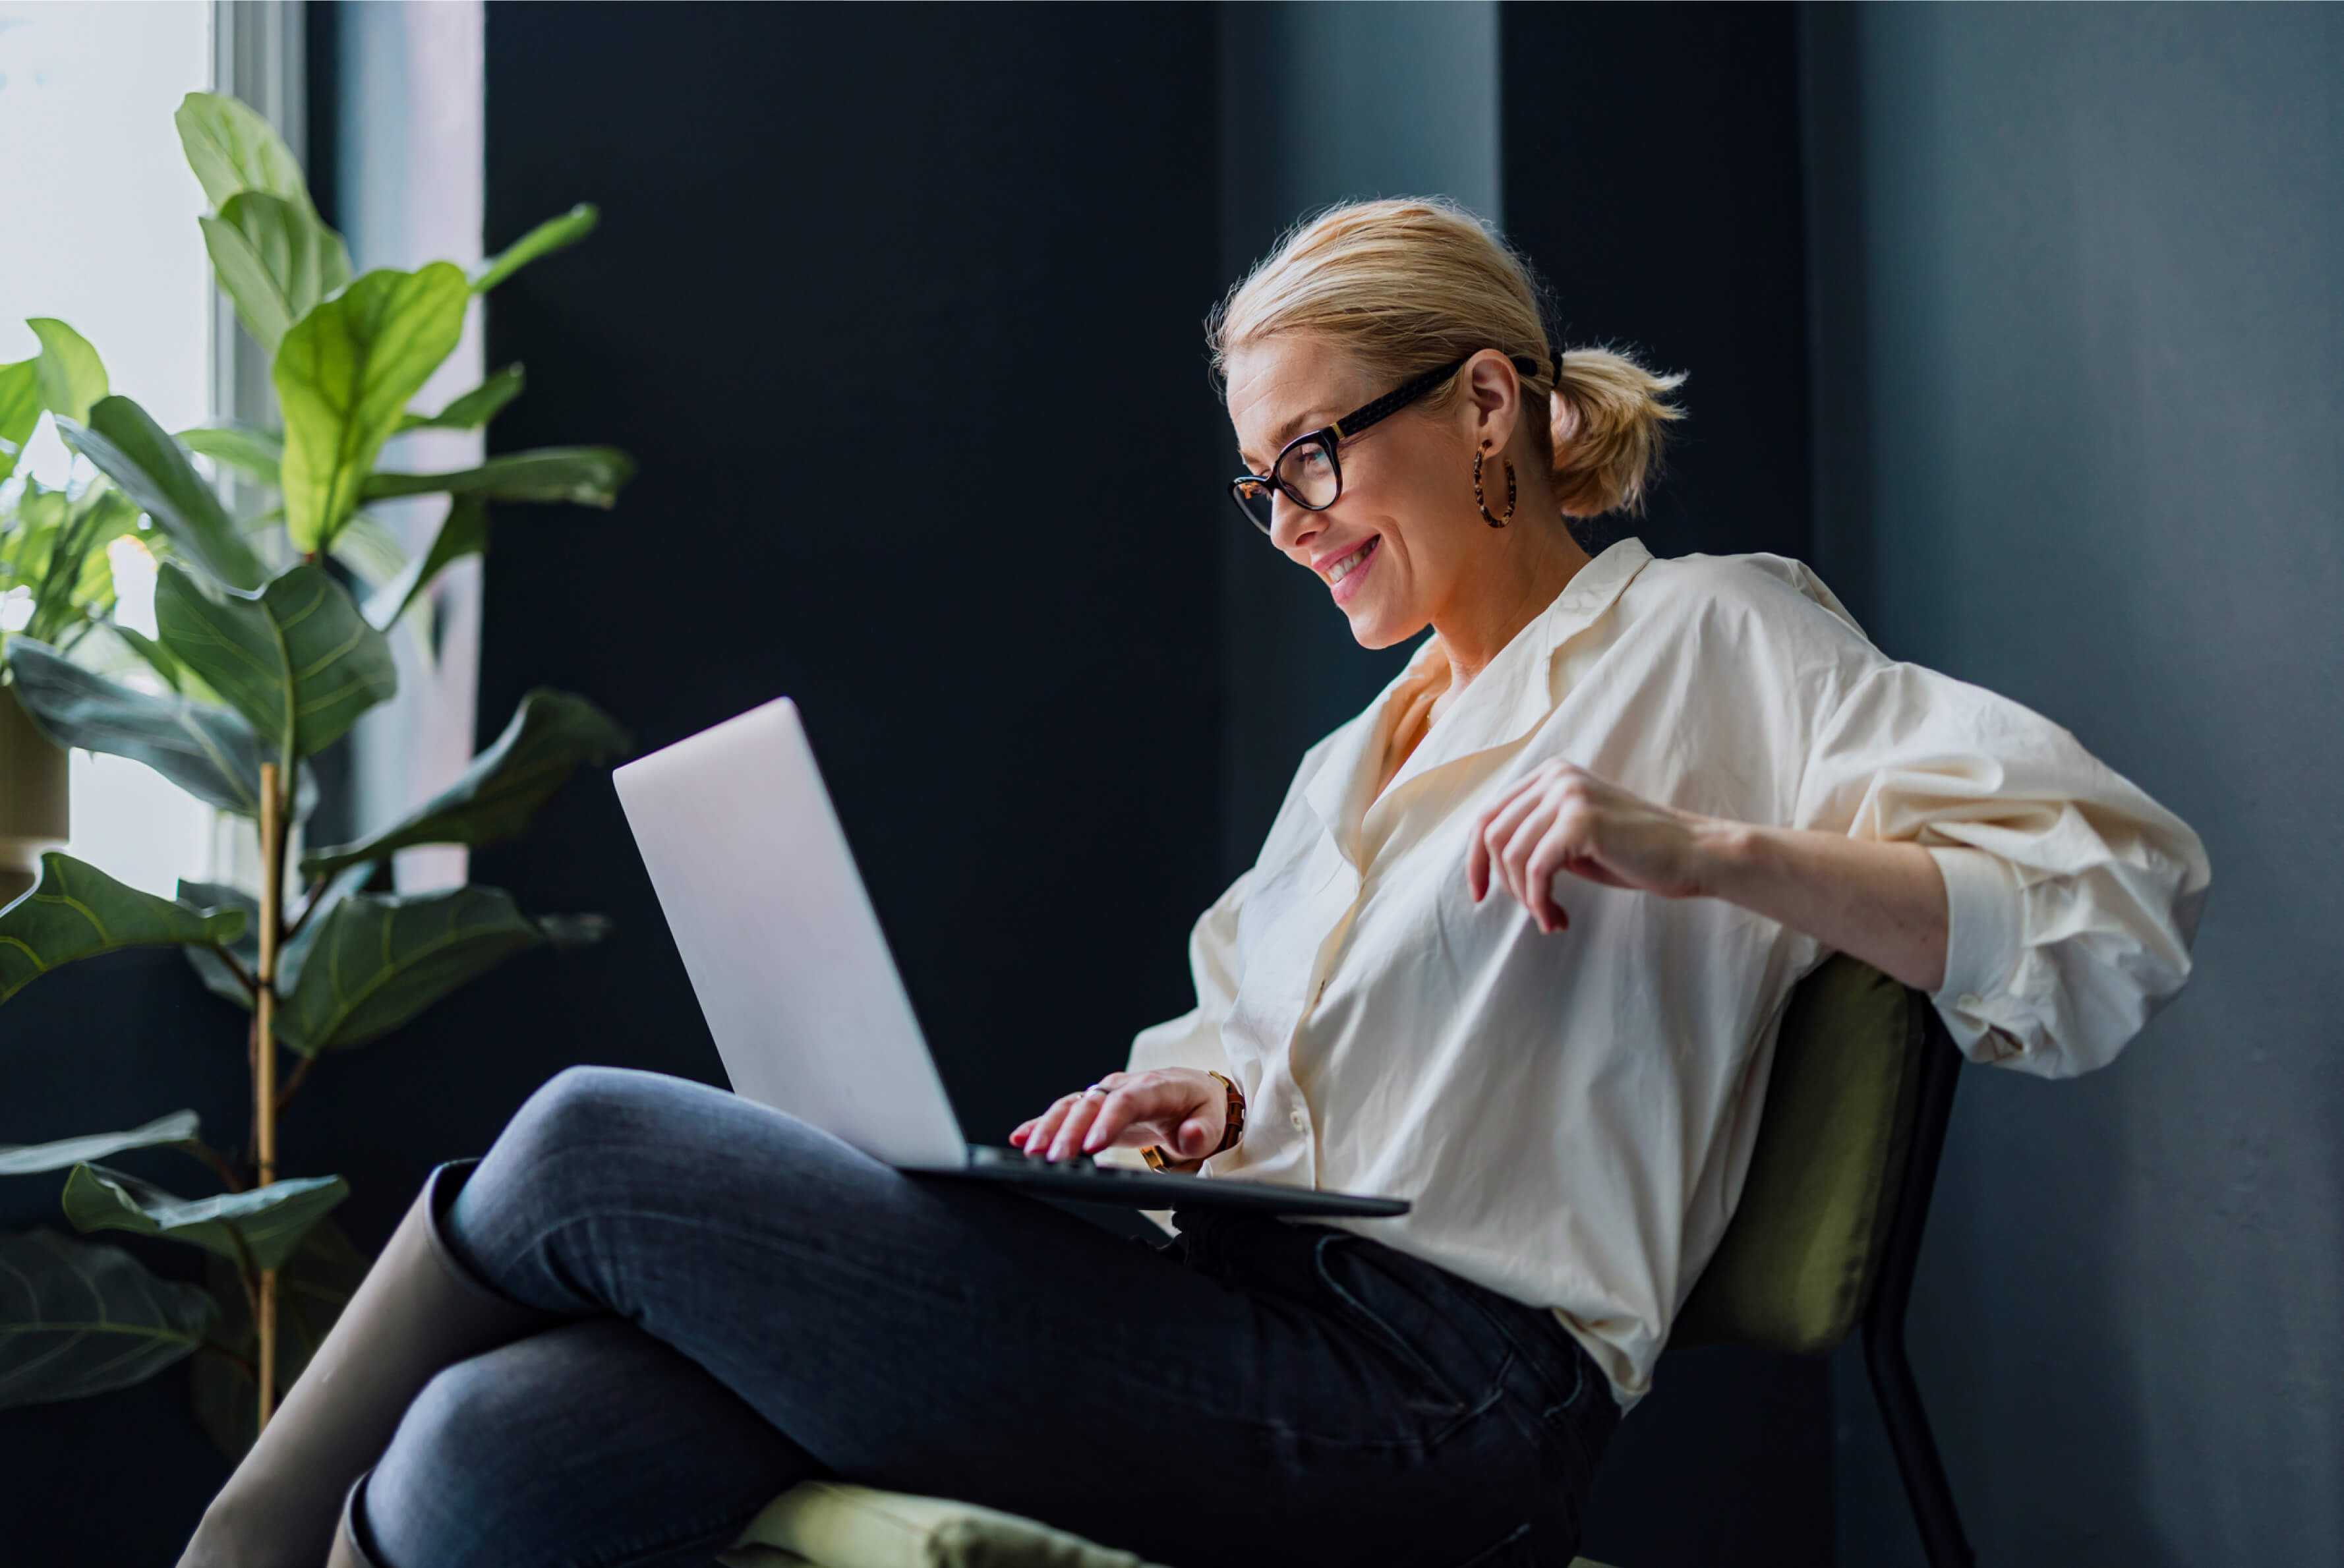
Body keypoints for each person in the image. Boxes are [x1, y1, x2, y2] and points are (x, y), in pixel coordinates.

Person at [176, 195, 2211, 1568]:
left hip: (1440, 1403)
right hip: (1221, 1306)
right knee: (490, 1457)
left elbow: (2111, 895)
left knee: (581, 1147)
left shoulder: (1712, 645)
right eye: (1262, 483)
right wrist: (1200, 1104)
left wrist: (1707, 848)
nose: (1290, 519)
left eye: (1315, 456)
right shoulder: (1355, 760)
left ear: (1485, 401)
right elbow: (1256, 1046)